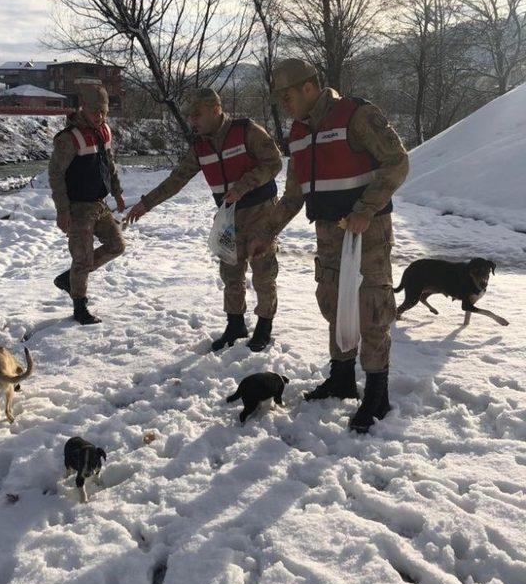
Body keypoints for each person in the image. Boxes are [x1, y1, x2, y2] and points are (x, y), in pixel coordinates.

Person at [250, 59, 409, 432]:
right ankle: (341, 377)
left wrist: (365, 209)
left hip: (366, 230)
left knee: (371, 306)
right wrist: (265, 232)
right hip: (329, 234)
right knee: (334, 301)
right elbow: (292, 196)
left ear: (309, 87)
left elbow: (397, 163)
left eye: (287, 96)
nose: (283, 104)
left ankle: (377, 393)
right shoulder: (300, 133)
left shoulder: (356, 114)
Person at [126, 87, 282, 352]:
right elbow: (177, 179)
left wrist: (244, 185)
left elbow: (274, 162)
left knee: (263, 272)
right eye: (190, 116)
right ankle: (235, 325)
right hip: (227, 216)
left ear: (216, 110)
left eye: (197, 115)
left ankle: (264, 326)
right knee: (230, 271)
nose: (192, 121)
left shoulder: (246, 130)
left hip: (260, 210)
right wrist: (146, 203)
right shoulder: (200, 146)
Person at [48, 78, 126, 325]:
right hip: (78, 208)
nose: (99, 117)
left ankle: (69, 279)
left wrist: (117, 192)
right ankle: (80, 307)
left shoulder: (104, 131)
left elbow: (109, 165)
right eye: (95, 112)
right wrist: (62, 211)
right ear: (83, 106)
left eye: (103, 112)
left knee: (117, 245)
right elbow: (56, 175)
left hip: (100, 204)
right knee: (82, 259)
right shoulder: (68, 138)